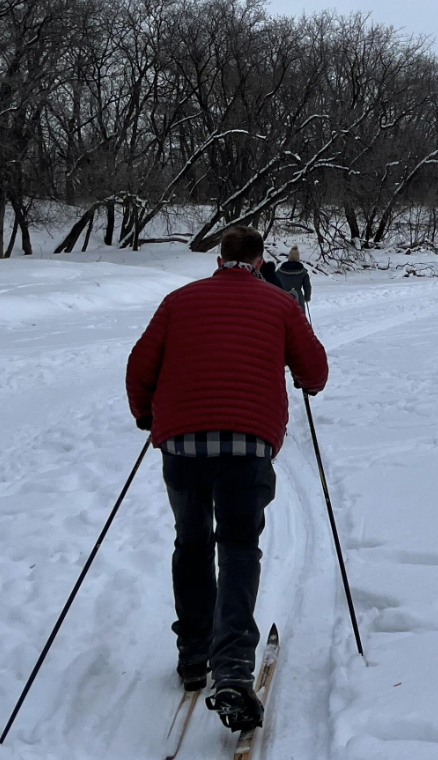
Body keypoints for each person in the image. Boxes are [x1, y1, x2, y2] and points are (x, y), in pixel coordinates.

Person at [125, 226, 328, 732]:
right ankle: (233, 668)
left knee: (191, 543)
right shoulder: (280, 303)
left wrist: (146, 415)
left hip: (183, 444)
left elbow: (139, 367)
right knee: (238, 546)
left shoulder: (178, 301)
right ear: (260, 260)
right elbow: (316, 371)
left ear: (219, 258)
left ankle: (193, 656)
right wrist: (302, 378)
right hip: (246, 443)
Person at [276, 246, 312, 313]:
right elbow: (307, 286)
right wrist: (307, 297)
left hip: (283, 298)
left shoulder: (280, 271)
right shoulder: (303, 272)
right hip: (298, 299)